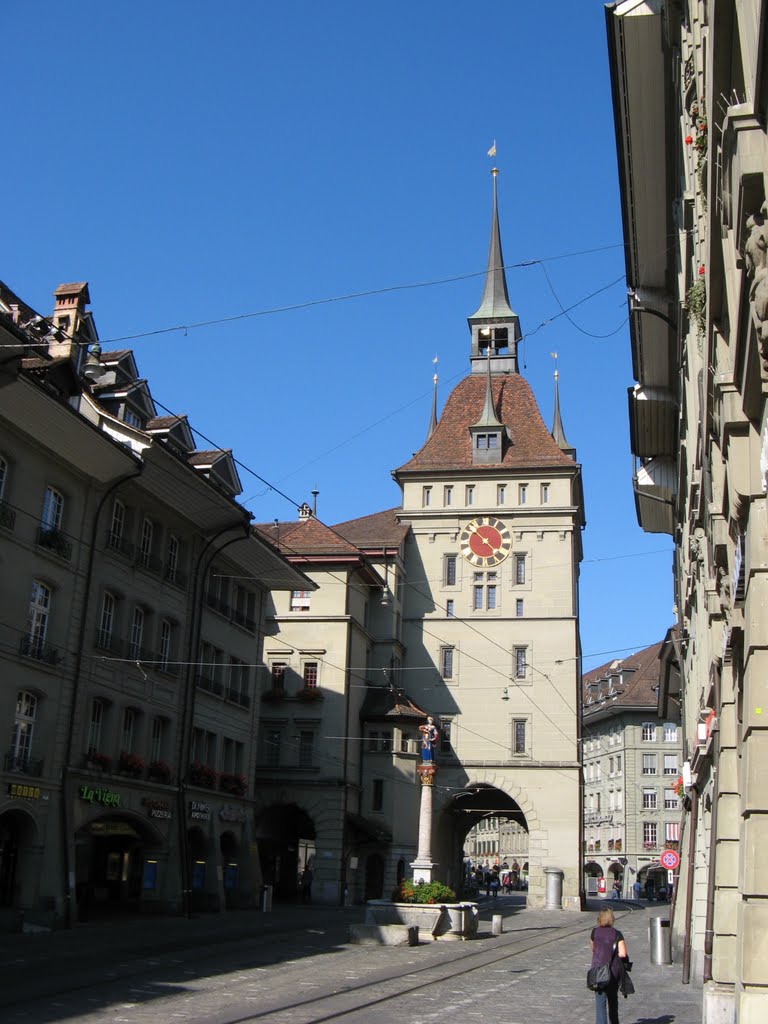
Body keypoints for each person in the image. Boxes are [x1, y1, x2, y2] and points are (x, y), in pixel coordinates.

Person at [590, 907, 629, 1024]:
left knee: (600, 1003)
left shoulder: (594, 932)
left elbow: (593, 948)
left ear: (599, 919)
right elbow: (622, 953)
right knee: (613, 1002)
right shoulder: (617, 934)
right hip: (613, 970)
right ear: (612, 919)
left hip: (598, 971)